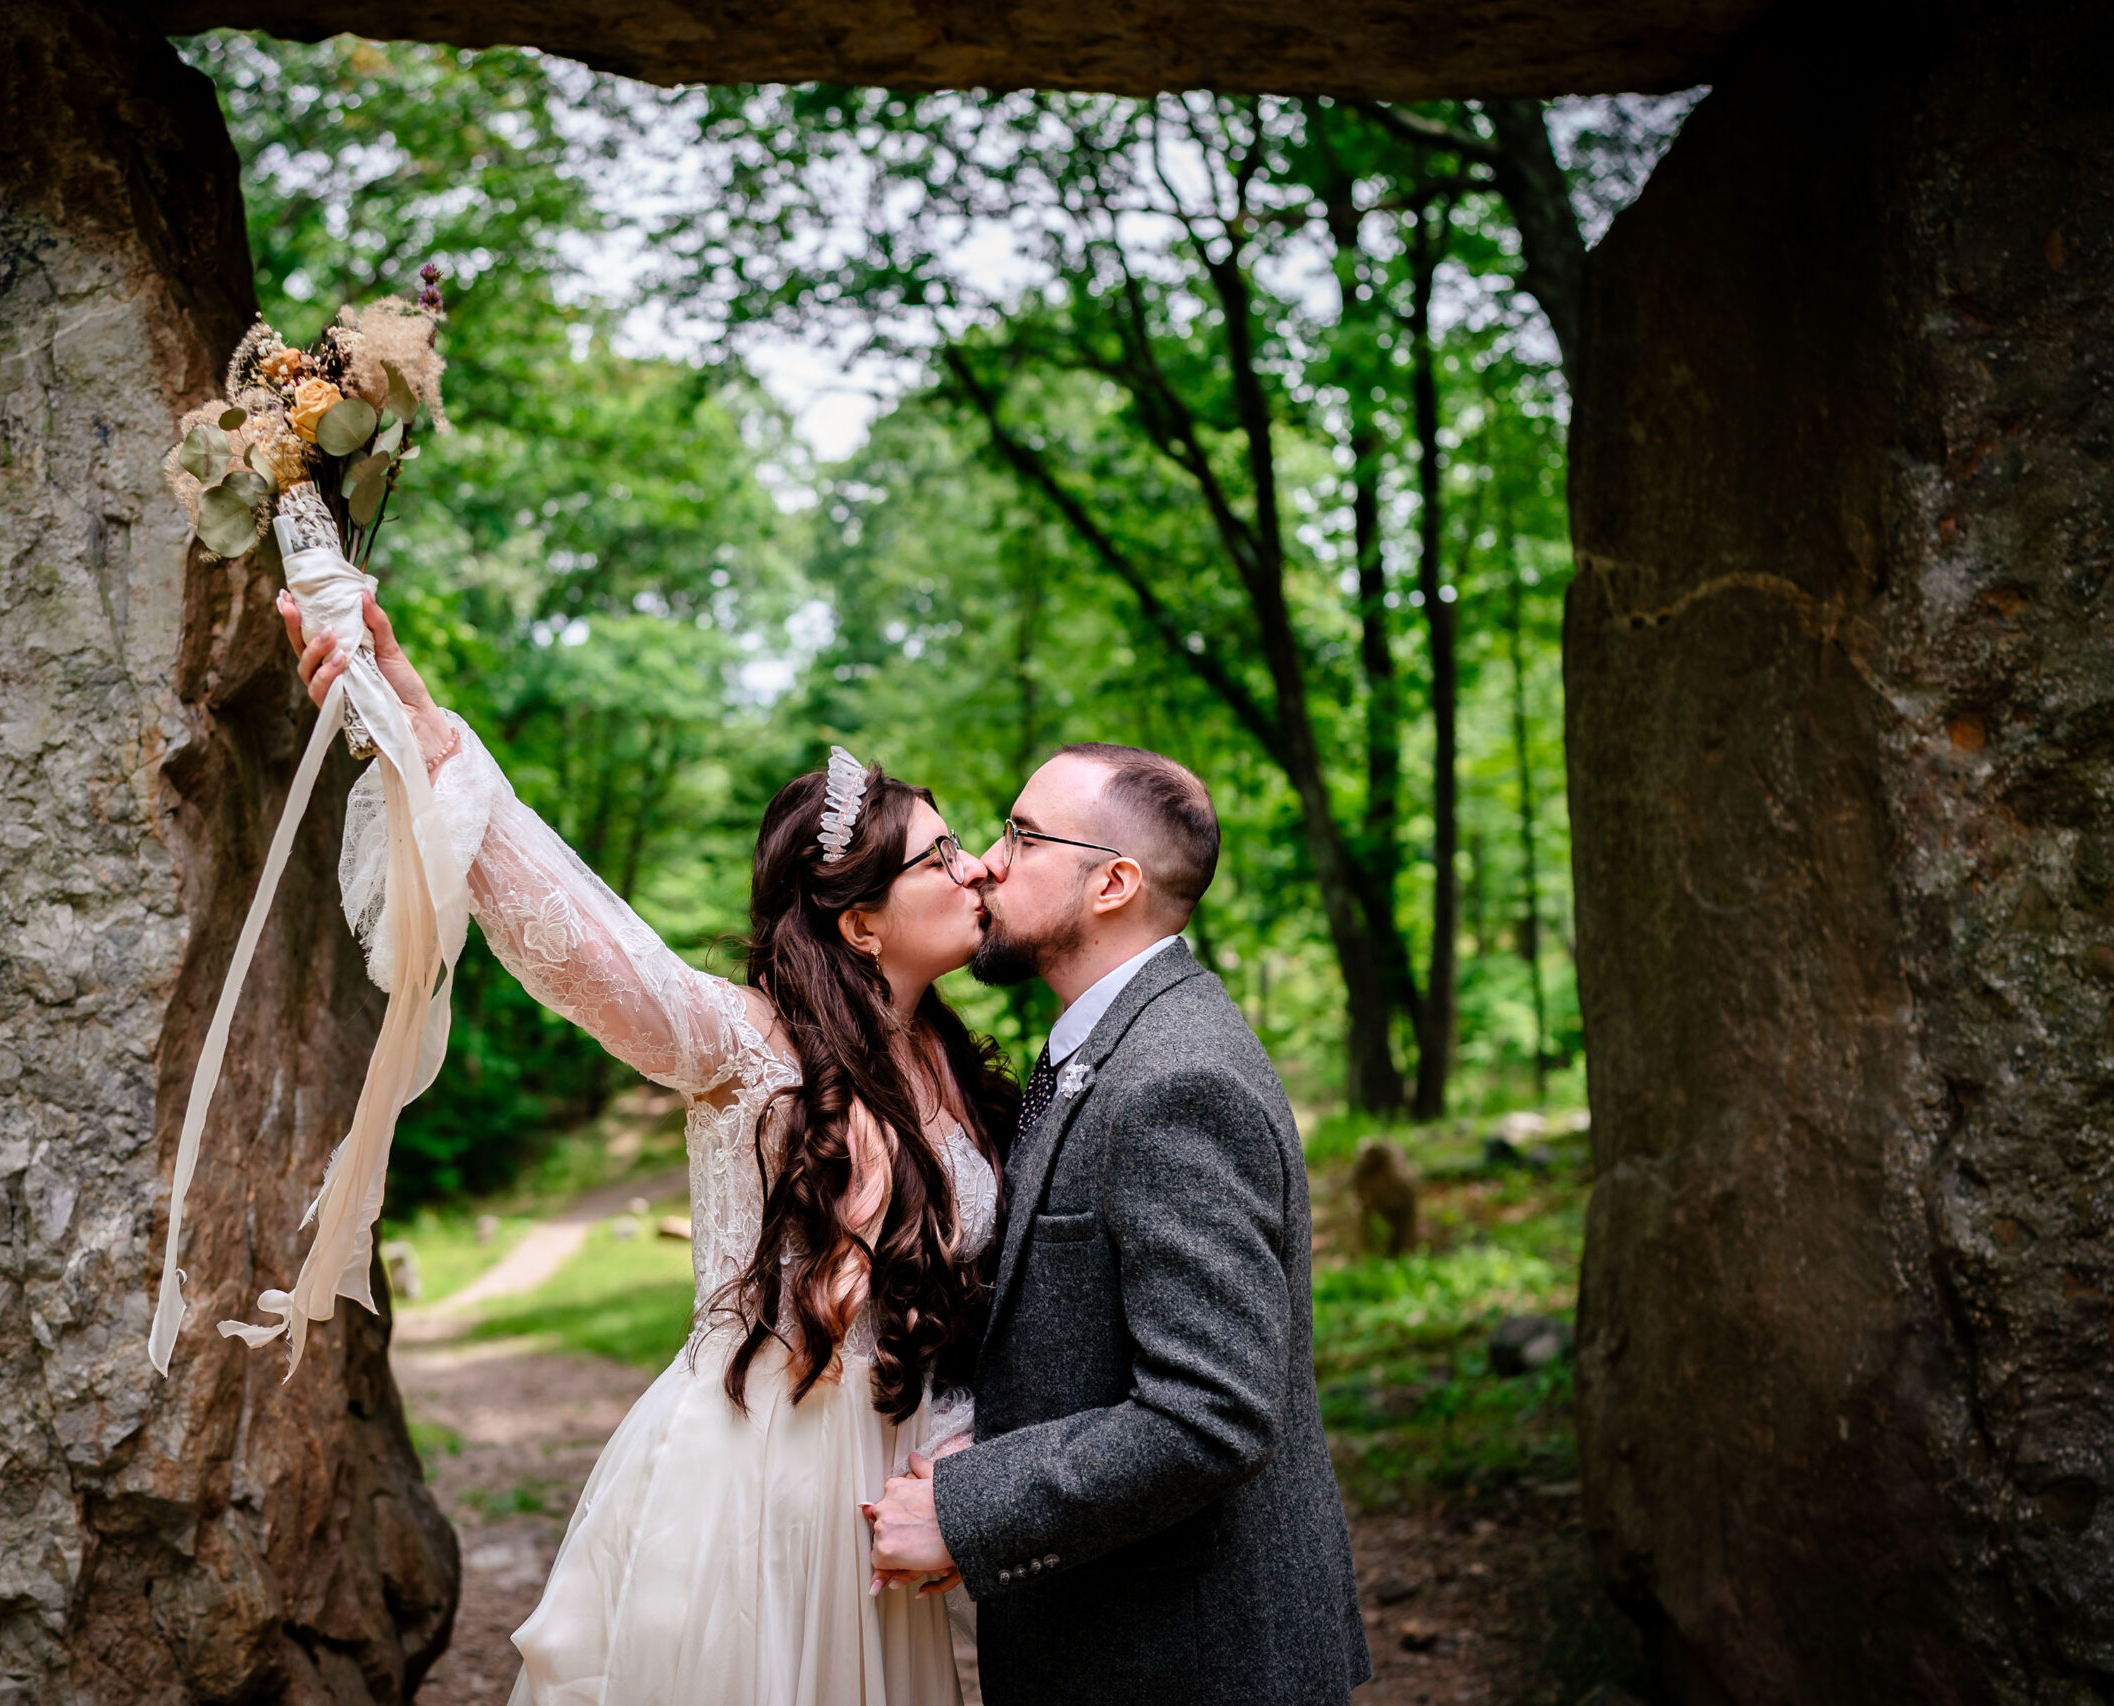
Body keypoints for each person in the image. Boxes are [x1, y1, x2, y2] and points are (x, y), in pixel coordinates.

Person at [281, 588, 1011, 1706]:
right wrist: (419, 717)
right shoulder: (747, 1044)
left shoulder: (958, 1067)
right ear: (859, 922)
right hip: (753, 1483)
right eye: (941, 856)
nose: (975, 871)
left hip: (880, 1484)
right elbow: (585, 940)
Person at [865, 744, 1371, 1704]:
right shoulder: (1106, 1047)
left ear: (1113, 883)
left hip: (1194, 1663)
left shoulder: (1176, 1079)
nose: (985, 863)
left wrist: (972, 1510)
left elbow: (1210, 1411)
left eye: (1020, 835)